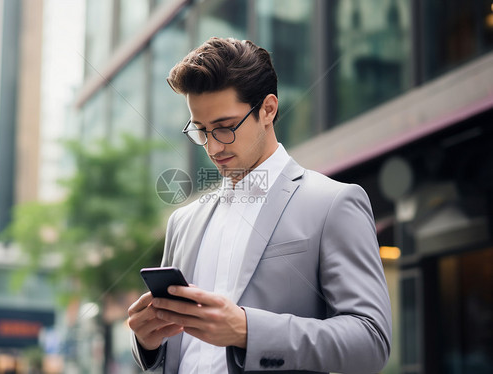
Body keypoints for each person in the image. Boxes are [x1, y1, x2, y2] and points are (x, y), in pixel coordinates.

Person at [127, 37, 392, 374]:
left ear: (268, 109)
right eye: (201, 130)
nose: (211, 147)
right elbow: (176, 353)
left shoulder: (333, 203)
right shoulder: (183, 221)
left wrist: (248, 331)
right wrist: (147, 342)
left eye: (224, 128)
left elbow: (371, 341)